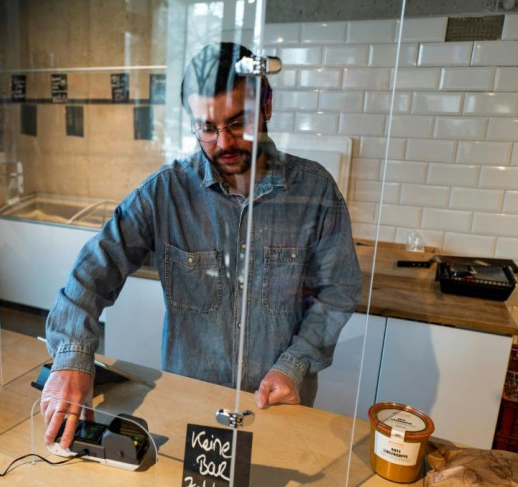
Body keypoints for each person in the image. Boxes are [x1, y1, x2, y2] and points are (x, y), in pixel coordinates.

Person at [41, 42, 363, 448]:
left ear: (266, 106)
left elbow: (339, 291)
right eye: (207, 128)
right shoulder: (165, 193)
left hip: (277, 409)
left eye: (237, 123)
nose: (223, 143)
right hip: (190, 413)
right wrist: (71, 359)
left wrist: (295, 364)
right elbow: (91, 275)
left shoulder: (315, 191)